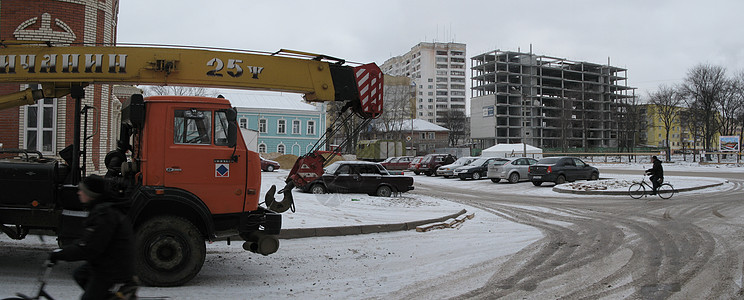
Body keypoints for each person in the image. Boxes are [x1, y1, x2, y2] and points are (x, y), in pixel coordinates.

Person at [49, 174, 137, 300]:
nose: (78, 192)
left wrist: (60, 254)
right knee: (80, 275)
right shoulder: (101, 209)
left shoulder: (104, 214)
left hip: (113, 269)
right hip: (109, 262)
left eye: (82, 190)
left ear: (91, 194)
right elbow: (89, 240)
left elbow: (89, 248)